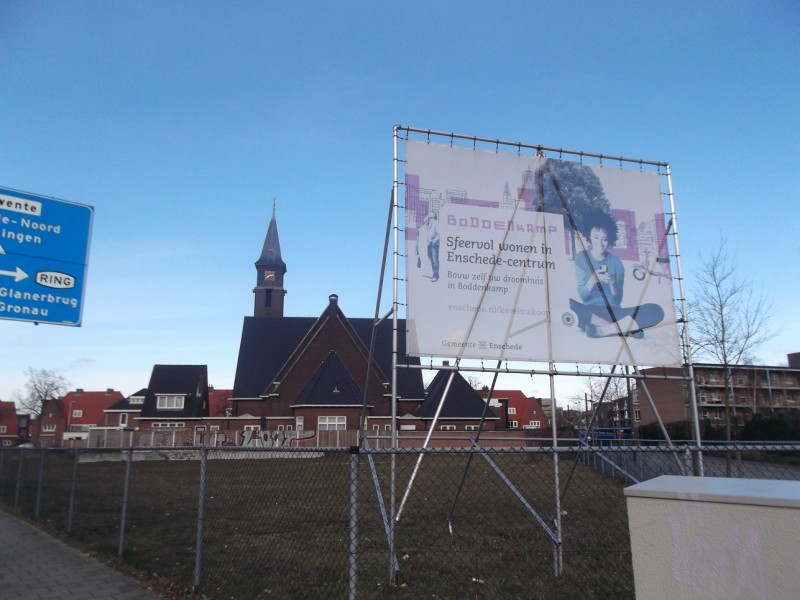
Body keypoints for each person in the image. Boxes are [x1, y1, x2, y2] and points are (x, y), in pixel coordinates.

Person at [570, 211, 663, 338]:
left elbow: (618, 299)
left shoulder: (616, 262)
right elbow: (583, 296)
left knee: (656, 310)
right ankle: (624, 328)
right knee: (568, 304)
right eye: (596, 237)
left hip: (615, 312)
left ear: (610, 239)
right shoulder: (581, 257)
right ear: (589, 237)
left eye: (605, 239)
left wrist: (613, 284)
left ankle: (603, 330)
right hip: (591, 310)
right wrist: (592, 280)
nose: (600, 243)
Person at [416, 212, 440, 282]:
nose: (428, 215)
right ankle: (433, 273)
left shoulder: (435, 223)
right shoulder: (426, 225)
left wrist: (434, 241)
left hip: (434, 245)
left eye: (430, 214)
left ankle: (436, 275)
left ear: (433, 217)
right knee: (432, 260)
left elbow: (439, 234)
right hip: (428, 245)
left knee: (435, 260)